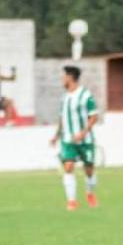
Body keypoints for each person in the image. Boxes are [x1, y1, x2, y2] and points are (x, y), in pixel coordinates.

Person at [48, 66, 100, 211]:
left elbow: (94, 116)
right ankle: (71, 201)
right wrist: (56, 136)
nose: (62, 79)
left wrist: (83, 133)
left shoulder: (85, 95)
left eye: (64, 76)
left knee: (89, 170)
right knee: (68, 167)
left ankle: (90, 194)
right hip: (68, 140)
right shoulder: (64, 98)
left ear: (70, 77)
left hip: (85, 140)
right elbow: (62, 119)